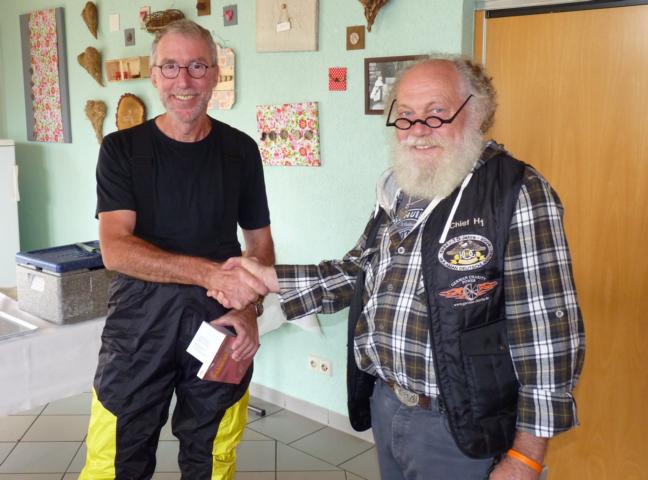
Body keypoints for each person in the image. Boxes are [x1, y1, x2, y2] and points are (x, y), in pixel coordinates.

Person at [220, 55, 585, 480]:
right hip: (387, 404)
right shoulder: (400, 188)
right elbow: (358, 272)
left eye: (437, 113)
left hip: (462, 425)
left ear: (478, 113)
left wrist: (526, 457)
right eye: (406, 115)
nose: (417, 130)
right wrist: (269, 278)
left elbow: (547, 333)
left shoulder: (517, 193)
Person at [79, 20, 274, 480]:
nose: (183, 80)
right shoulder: (122, 150)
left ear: (215, 74)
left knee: (214, 454)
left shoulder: (240, 151)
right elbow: (116, 250)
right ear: (154, 74)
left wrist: (250, 309)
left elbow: (261, 243)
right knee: (116, 459)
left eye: (197, 66)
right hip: (138, 329)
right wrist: (210, 274)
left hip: (221, 325)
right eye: (170, 66)